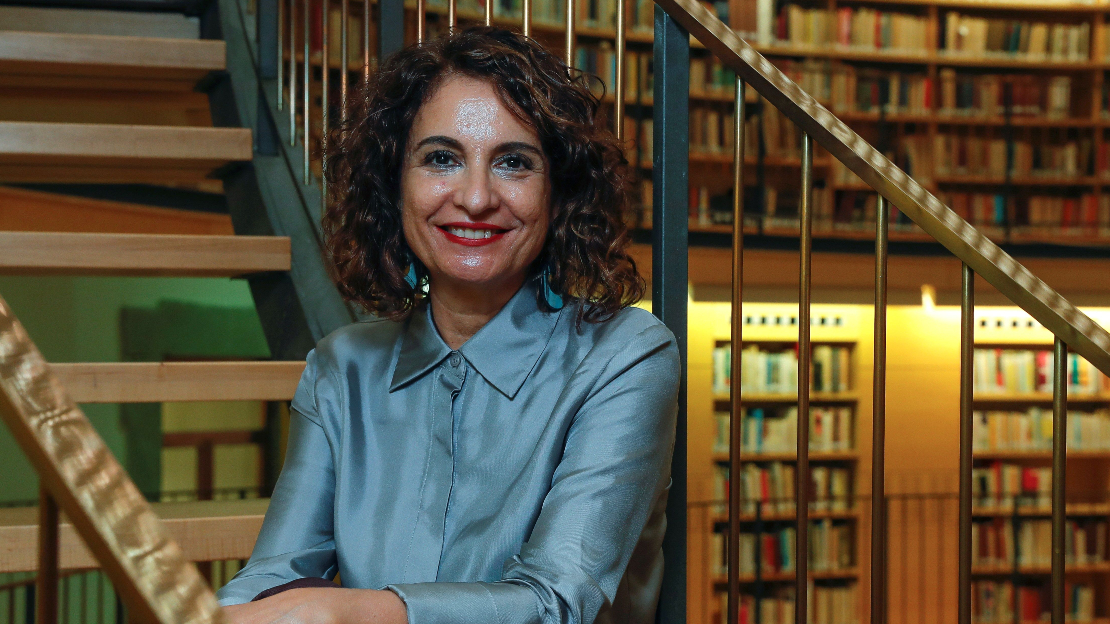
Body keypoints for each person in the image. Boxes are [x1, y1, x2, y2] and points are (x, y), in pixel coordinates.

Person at [216, 26, 680, 624]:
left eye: (514, 163)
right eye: (441, 158)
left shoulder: (625, 355)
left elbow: (557, 605)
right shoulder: (340, 368)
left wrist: (342, 612)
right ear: (394, 183)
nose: (476, 197)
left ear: (559, 193)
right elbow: (271, 578)